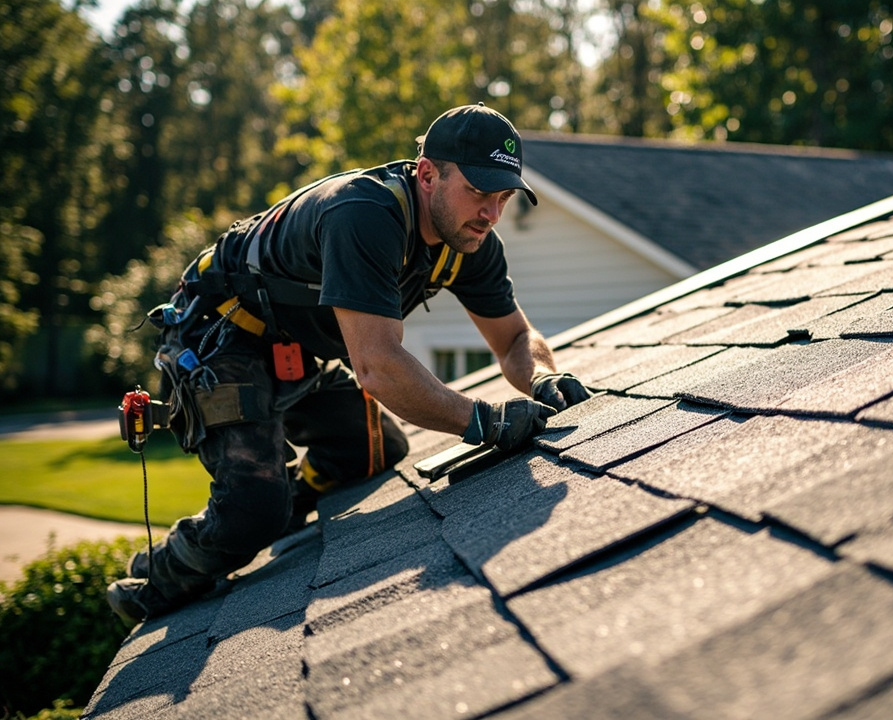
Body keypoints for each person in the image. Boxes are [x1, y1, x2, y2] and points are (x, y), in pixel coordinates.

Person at [107, 104, 592, 626]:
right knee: (252, 508)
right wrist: (484, 422)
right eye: (478, 191)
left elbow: (515, 337)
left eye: (503, 197)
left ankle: (291, 501)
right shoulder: (363, 213)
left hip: (292, 346)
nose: (491, 213)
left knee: (376, 449)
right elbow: (378, 367)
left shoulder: (470, 242)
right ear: (427, 173)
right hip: (219, 333)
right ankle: (156, 580)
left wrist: (543, 374)